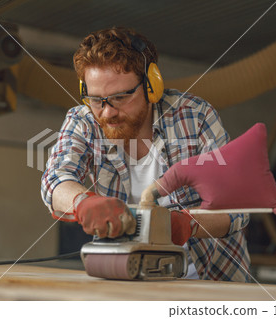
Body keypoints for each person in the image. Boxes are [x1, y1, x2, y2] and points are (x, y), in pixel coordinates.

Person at [41, 26, 250, 282]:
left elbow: (238, 207)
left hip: (210, 281)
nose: (107, 112)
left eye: (120, 97)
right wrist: (82, 202)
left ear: (152, 86)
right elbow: (55, 179)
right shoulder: (83, 121)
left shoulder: (195, 117)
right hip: (126, 280)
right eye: (96, 99)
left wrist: (188, 224)